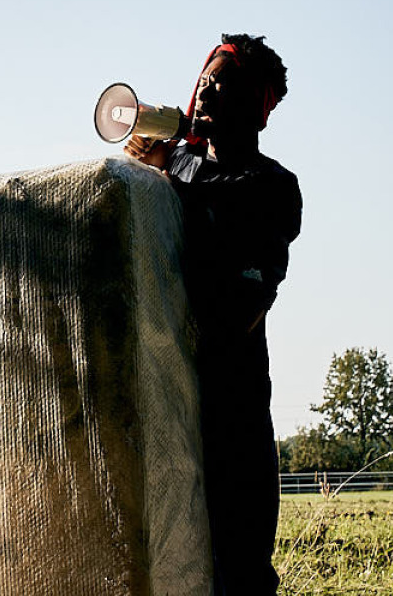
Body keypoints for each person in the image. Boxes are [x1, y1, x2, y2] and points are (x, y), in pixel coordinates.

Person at [124, 33, 300, 595]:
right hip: (157, 396)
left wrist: (174, 183)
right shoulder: (175, 162)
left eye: (221, 84)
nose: (203, 91)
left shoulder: (272, 187)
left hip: (232, 404)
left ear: (258, 109)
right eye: (204, 78)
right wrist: (146, 172)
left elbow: (241, 306)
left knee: (240, 568)